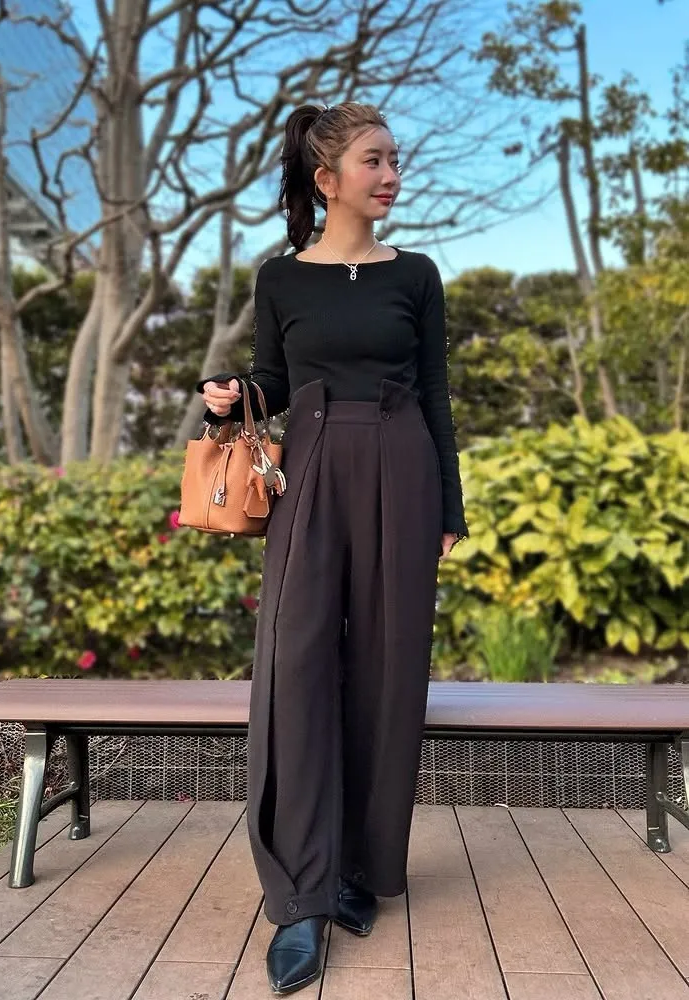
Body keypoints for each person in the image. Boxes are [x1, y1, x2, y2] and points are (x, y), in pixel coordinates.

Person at [196, 101, 469, 996]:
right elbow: (275, 381)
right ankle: (301, 896)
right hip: (308, 472)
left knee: (389, 673)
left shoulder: (416, 274)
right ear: (327, 179)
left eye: (394, 159)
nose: (391, 175)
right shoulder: (281, 278)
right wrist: (233, 395)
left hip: (402, 468)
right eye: (374, 161)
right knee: (297, 669)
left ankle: (358, 867)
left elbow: (435, 392)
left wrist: (449, 505)